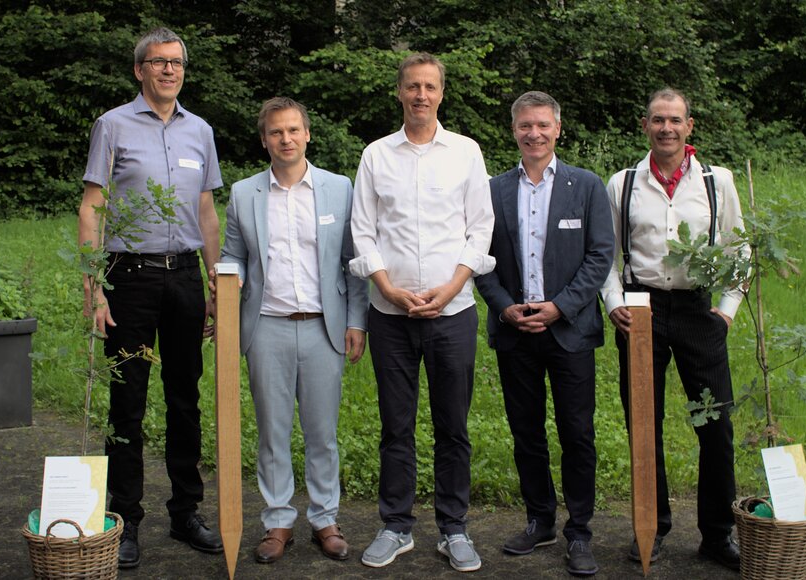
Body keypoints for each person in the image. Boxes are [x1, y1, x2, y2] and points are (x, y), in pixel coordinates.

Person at [78, 27, 223, 569]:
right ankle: (125, 518)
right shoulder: (112, 126)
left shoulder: (200, 131)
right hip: (130, 279)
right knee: (129, 400)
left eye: (177, 62)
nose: (169, 70)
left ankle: (186, 512)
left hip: (185, 278)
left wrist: (213, 283)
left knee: (185, 397)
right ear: (139, 70)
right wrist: (95, 288)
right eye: (158, 62)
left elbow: (206, 212)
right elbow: (92, 207)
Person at [349, 52, 495, 573]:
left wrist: (453, 283)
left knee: (453, 426)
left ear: (441, 93)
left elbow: (480, 229)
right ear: (399, 92)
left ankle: (454, 529)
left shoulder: (466, 153)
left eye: (430, 87)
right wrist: (387, 289)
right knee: (396, 425)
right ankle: (396, 526)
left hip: (452, 312)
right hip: (390, 316)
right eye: (412, 86)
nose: (421, 95)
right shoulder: (376, 156)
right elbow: (363, 231)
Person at [600, 87, 749, 571]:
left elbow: (739, 250)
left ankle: (717, 535)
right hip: (640, 311)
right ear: (645, 125)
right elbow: (607, 255)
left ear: (689, 127)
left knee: (716, 425)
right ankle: (654, 526)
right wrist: (614, 302)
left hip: (698, 311)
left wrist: (726, 310)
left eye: (675, 120)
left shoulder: (715, 181)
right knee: (645, 426)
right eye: (657, 119)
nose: (666, 128)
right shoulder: (622, 183)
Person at [218, 97, 368, 564]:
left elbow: (353, 262)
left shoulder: (339, 188)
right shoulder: (245, 193)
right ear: (264, 140)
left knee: (322, 432)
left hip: (325, 328)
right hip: (267, 328)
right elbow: (234, 254)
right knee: (273, 431)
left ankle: (325, 519)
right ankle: (278, 520)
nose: (286, 139)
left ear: (308, 134)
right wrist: (230, 277)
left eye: (293, 131)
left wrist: (356, 321)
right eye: (276, 132)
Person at [475, 91, 614, 576]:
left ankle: (579, 532)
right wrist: (505, 308)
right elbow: (479, 258)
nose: (533, 134)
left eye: (542, 125)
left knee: (577, 433)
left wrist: (560, 307)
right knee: (526, 433)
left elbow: (600, 255)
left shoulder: (587, 186)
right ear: (513, 131)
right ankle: (540, 520)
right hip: (515, 331)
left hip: (570, 331)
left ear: (558, 129)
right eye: (524, 126)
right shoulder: (491, 190)